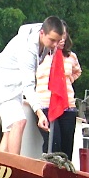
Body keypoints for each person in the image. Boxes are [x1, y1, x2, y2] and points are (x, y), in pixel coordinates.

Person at [0, 17, 65, 154]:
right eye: (52, 40)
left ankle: (1, 165)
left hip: (14, 83)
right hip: (0, 80)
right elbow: (28, 86)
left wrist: (58, 40)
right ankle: (15, 167)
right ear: (42, 33)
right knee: (19, 121)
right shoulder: (28, 50)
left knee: (9, 129)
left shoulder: (43, 34)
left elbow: (55, 25)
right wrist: (40, 114)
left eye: (58, 41)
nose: (55, 45)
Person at [34, 27, 82, 155]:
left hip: (67, 104)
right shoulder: (41, 55)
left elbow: (78, 72)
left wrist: (67, 81)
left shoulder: (71, 57)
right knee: (53, 143)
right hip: (45, 104)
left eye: (63, 34)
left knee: (66, 147)